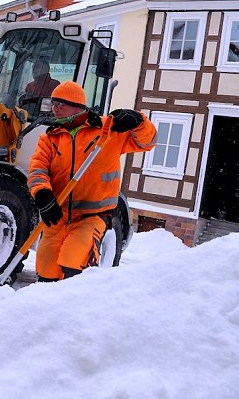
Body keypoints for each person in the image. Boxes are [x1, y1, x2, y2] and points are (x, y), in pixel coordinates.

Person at [27, 81, 157, 281]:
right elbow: (38, 169)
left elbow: (147, 142)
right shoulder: (50, 137)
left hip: (92, 217)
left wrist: (139, 121)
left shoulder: (107, 131)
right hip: (57, 215)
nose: (55, 108)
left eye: (61, 103)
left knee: (73, 263)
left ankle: (78, 305)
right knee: (46, 270)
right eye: (53, 103)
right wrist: (42, 194)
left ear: (78, 105)